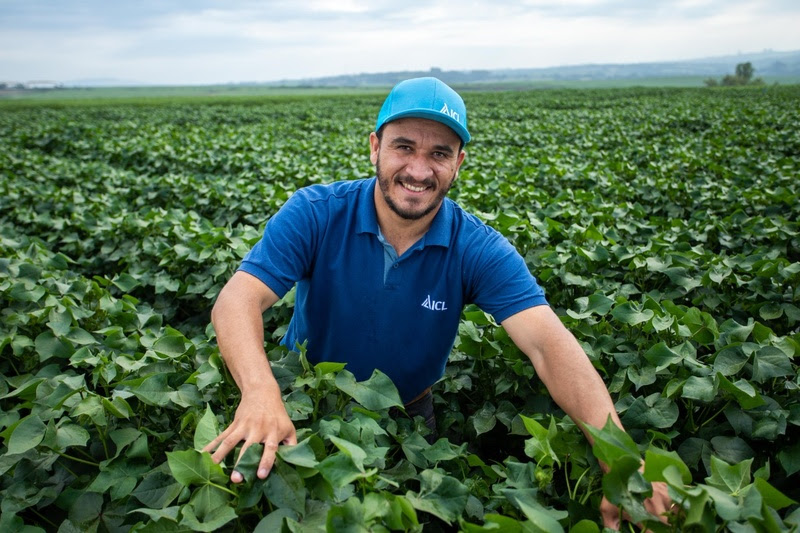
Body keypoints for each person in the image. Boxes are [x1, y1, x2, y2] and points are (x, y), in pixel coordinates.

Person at [204, 77, 672, 528]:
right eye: (404, 146)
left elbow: (548, 345)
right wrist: (261, 393)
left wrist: (620, 456)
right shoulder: (316, 213)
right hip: (299, 401)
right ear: (375, 147)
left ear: (459, 163)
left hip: (407, 415)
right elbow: (236, 302)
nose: (419, 169)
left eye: (439, 154)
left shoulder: (477, 248)